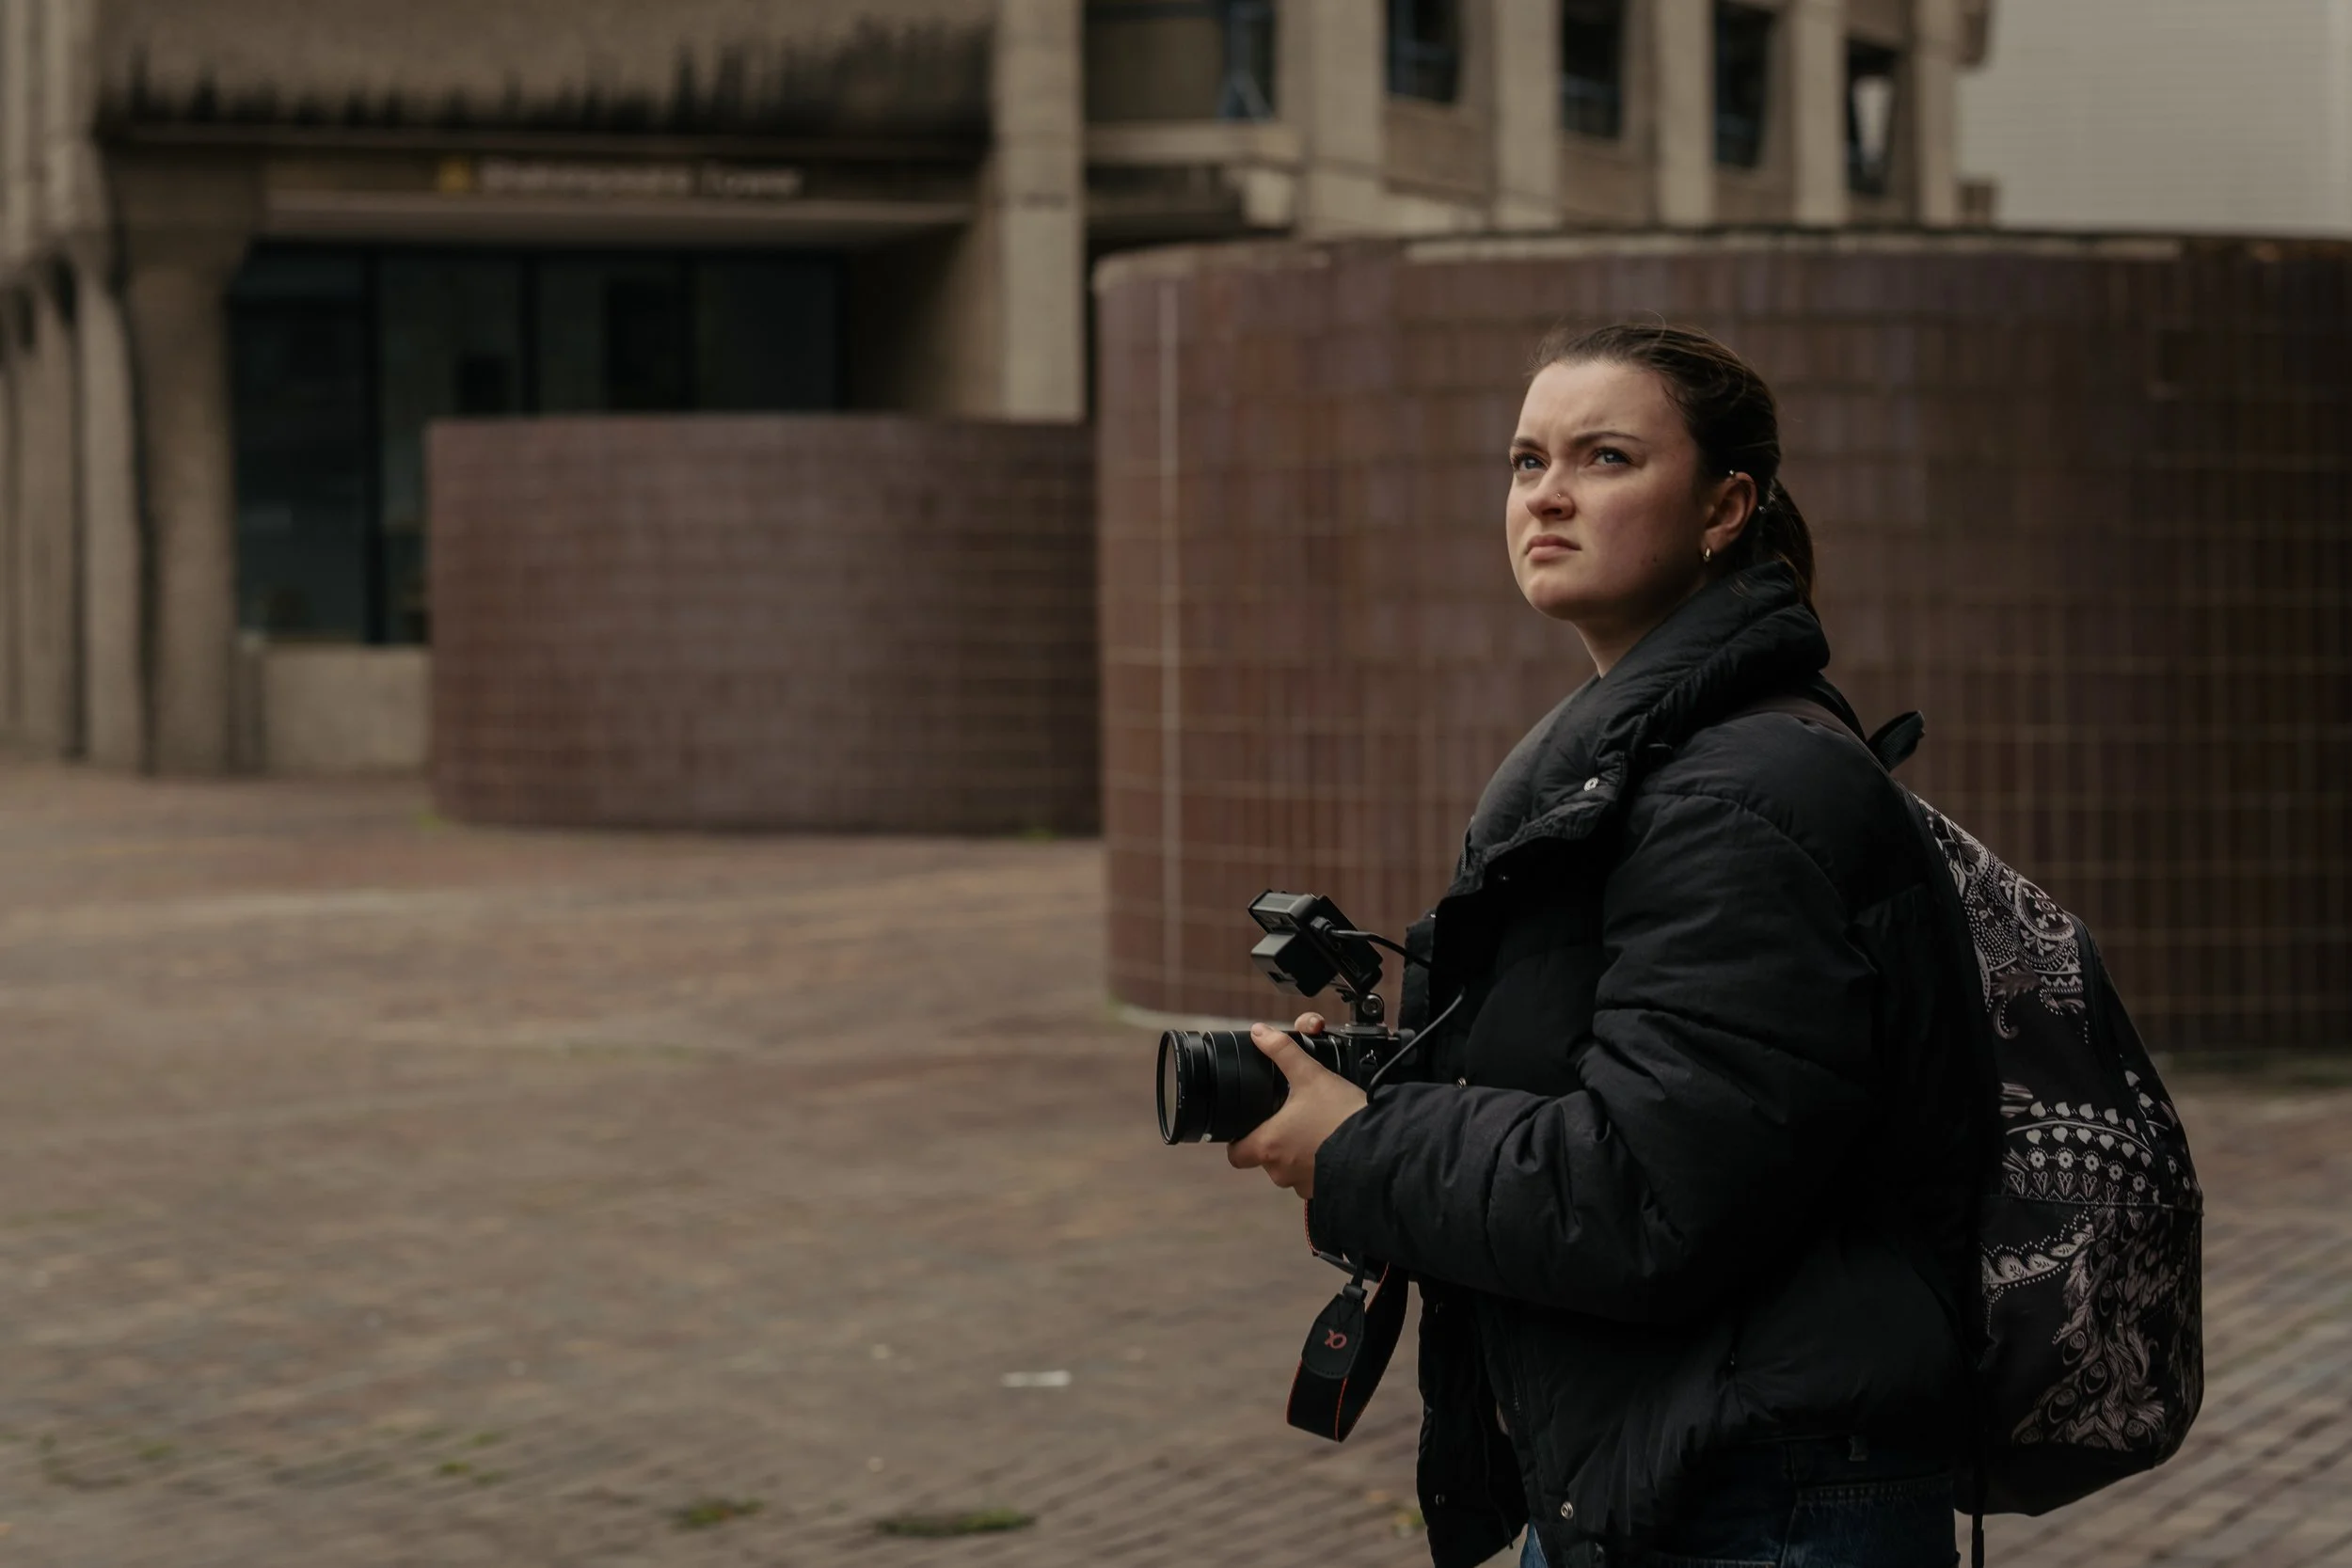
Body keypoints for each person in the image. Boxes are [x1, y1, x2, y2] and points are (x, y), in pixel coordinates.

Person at [1226, 323, 1978, 1568]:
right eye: (1527, 462)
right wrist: (1383, 1084)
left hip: (1759, 1502)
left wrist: (1363, 1145)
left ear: (1725, 506)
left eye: (1607, 457)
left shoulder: (1737, 793)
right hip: (1658, 1469)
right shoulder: (1642, 764)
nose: (1549, 496)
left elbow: (1647, 1192)